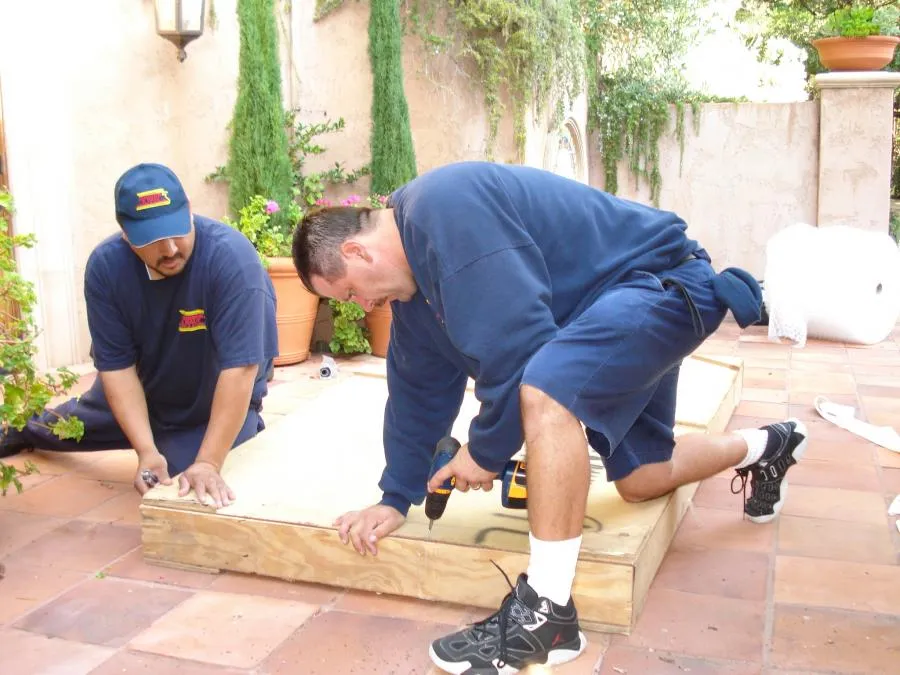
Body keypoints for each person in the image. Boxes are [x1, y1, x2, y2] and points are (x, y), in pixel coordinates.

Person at [290, 161, 808, 674]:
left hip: (662, 285)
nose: (362, 304)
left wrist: (484, 451)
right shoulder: (416, 297)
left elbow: (518, 349)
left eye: (351, 291)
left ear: (357, 250)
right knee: (643, 478)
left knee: (545, 389)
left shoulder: (443, 206)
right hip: (611, 314)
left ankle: (548, 617)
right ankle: (771, 445)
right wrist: (396, 494)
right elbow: (416, 395)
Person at [0, 163, 279, 508]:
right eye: (153, 239)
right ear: (126, 235)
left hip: (210, 400)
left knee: (186, 483)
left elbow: (241, 371)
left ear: (190, 211)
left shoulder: (233, 261)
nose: (171, 249)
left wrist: (208, 462)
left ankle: (239, 432)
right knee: (59, 427)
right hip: (143, 392)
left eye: (177, 230)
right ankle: (19, 430)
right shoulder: (106, 268)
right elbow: (116, 369)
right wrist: (146, 451)